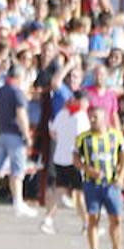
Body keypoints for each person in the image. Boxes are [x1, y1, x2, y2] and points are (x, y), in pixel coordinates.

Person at [74, 107, 124, 249]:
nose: (92, 120)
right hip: (92, 184)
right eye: (91, 117)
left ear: (104, 118)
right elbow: (76, 158)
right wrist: (87, 169)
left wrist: (121, 177)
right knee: (93, 219)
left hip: (111, 184)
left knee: (116, 219)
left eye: (95, 117)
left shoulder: (115, 136)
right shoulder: (83, 138)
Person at [0, 66, 38, 218]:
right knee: (17, 171)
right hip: (15, 136)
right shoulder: (18, 93)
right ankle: (18, 202)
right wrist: (27, 136)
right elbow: (21, 115)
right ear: (18, 77)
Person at [41, 92, 90, 234]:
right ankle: (87, 224)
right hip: (74, 159)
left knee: (59, 190)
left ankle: (48, 220)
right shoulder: (81, 117)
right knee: (79, 193)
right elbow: (82, 140)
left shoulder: (62, 113)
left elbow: (53, 133)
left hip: (60, 157)